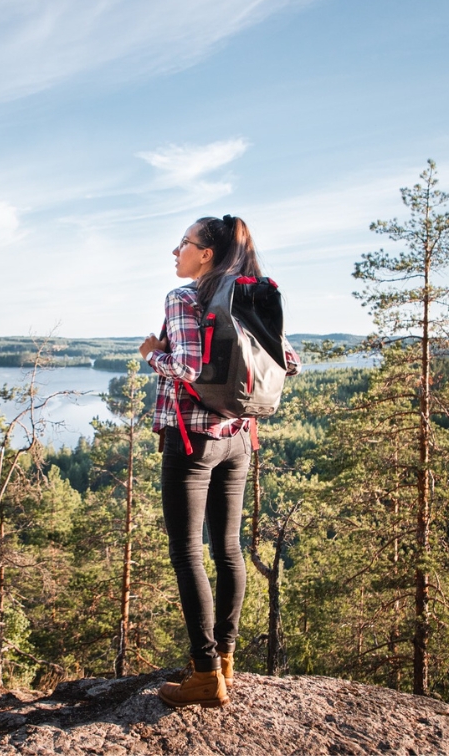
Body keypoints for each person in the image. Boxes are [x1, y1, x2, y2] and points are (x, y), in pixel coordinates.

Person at [138, 215, 300, 709]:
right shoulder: (249, 294)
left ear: (205, 253)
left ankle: (206, 674)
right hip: (239, 438)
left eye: (183, 243)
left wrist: (151, 353)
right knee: (227, 549)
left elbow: (186, 367)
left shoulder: (184, 298)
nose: (175, 252)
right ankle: (224, 660)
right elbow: (289, 361)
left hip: (192, 441)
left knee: (187, 550)